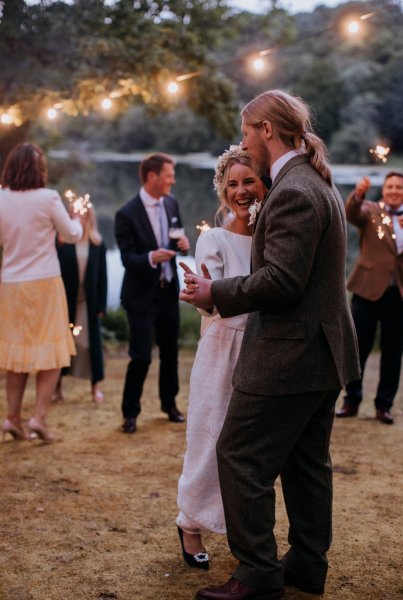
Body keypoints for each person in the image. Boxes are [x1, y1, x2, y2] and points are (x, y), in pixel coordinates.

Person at [180, 90, 360, 600]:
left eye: (245, 133)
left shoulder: (294, 191)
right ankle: (305, 565)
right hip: (322, 350)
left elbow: (282, 280)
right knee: (305, 462)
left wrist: (216, 292)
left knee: (239, 454)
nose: (243, 144)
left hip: (290, 352)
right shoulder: (313, 181)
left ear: (265, 129)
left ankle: (257, 575)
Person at [176, 146, 266, 570]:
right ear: (221, 190)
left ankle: (238, 526)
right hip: (221, 346)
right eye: (232, 184)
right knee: (208, 437)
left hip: (264, 348)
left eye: (249, 181)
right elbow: (208, 301)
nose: (241, 191)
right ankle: (190, 522)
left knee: (247, 447)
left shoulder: (274, 235)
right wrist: (199, 295)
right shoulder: (212, 238)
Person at [0, 142, 83, 442]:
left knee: (17, 354)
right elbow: (71, 235)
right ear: (39, 169)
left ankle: (11, 418)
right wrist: (76, 218)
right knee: (50, 352)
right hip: (45, 282)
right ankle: (38, 418)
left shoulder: (1, 198)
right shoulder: (48, 198)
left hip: (10, 284)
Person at [115, 153, 190, 434]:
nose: (172, 180)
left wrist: (184, 244)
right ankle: (130, 412)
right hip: (140, 296)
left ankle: (169, 404)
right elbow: (128, 260)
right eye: (168, 175)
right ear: (152, 177)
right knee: (141, 355)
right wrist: (151, 258)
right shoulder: (126, 213)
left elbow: (179, 243)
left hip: (168, 290)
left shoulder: (171, 203)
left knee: (170, 352)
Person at [336, 173, 403, 425]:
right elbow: (352, 213)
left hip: (398, 296)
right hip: (366, 291)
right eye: (390, 187)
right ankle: (351, 401)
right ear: (383, 189)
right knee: (357, 349)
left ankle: (384, 406)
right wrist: (358, 194)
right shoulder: (371, 210)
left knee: (393, 353)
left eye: (399, 187)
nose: (394, 191)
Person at [55, 204, 107, 404]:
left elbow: (102, 276)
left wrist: (101, 306)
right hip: (66, 301)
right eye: (76, 213)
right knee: (62, 345)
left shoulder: (97, 243)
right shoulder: (63, 241)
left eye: (84, 214)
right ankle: (57, 387)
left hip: (89, 302)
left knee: (88, 344)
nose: (80, 216)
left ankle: (95, 387)